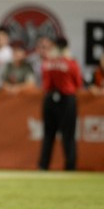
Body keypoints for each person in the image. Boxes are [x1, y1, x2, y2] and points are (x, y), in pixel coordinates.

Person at [38, 37, 83, 171]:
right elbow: (78, 83)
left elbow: (45, 84)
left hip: (50, 98)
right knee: (68, 134)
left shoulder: (47, 63)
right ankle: (70, 166)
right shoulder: (71, 63)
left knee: (48, 134)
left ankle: (43, 165)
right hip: (67, 99)